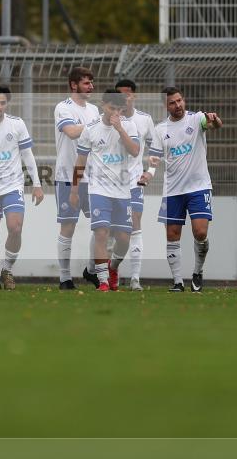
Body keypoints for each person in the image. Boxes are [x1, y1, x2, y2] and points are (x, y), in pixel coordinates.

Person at [70, 90, 139, 292]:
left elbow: (134, 151)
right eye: (111, 109)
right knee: (101, 233)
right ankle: (103, 281)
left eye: (119, 110)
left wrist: (120, 130)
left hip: (123, 191)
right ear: (103, 106)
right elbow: (80, 161)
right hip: (98, 190)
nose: (115, 113)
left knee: (124, 239)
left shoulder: (129, 125)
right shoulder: (90, 129)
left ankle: (113, 267)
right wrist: (74, 190)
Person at [155, 87, 222, 293]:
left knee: (200, 233)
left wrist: (215, 120)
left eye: (180, 100)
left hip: (198, 186)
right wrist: (147, 173)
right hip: (173, 189)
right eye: (173, 103)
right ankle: (177, 282)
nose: (178, 105)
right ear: (166, 106)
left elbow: (213, 124)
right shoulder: (160, 130)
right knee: (172, 235)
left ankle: (197, 272)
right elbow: (154, 157)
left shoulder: (196, 118)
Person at [0, 85, 44, 290]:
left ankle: (7, 269)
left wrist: (37, 184)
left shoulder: (17, 124)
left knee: (15, 227)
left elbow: (27, 155)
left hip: (12, 185)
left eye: (3, 102)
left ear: (7, 104)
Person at [114, 79, 164, 291]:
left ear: (134, 96)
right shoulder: (108, 119)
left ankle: (135, 278)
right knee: (105, 230)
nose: (124, 98)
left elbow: (156, 149)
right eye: (119, 95)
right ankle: (101, 271)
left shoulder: (145, 120)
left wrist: (149, 172)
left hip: (133, 181)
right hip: (109, 183)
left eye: (127, 94)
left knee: (135, 224)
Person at [53, 67, 100, 290]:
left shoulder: (94, 110)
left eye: (91, 82)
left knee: (102, 226)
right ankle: (64, 278)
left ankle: (91, 270)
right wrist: (98, 125)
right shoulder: (63, 108)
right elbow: (71, 132)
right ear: (74, 85)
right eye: (86, 82)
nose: (91, 86)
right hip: (67, 176)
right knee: (68, 227)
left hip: (95, 178)